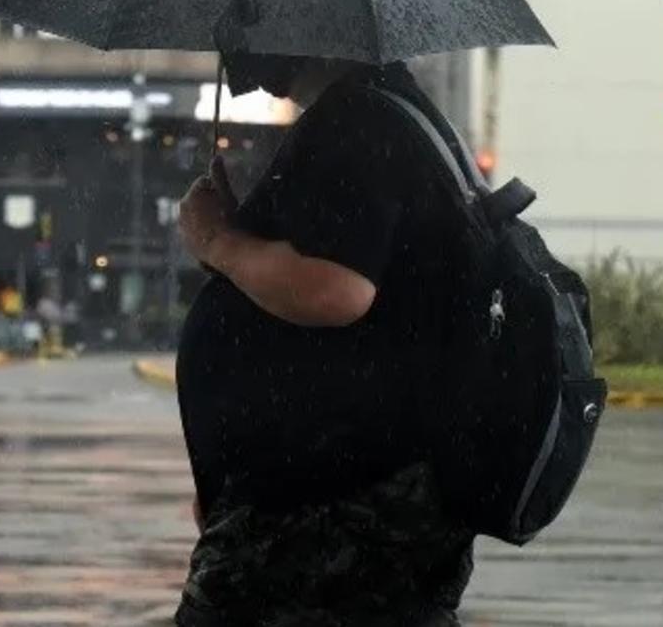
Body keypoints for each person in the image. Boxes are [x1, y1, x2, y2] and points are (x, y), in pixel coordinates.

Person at [173, 52, 474, 626]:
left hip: (329, 509)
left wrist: (218, 242)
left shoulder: (357, 123)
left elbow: (335, 289)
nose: (236, 48)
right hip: (347, 498)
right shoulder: (384, 113)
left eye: (250, 14)